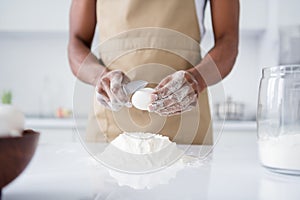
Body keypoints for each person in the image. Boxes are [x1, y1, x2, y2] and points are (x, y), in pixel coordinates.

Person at [68, 0, 239, 144]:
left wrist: (197, 79)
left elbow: (228, 42)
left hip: (185, 130)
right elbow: (76, 42)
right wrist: (101, 77)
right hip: (110, 129)